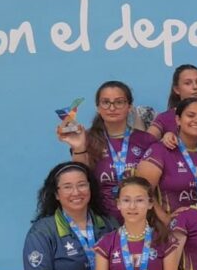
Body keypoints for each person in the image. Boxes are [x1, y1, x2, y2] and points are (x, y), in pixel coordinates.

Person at [57, 81, 157, 224]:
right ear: (98, 107)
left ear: (129, 107)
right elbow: (80, 178)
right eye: (105, 102)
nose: (112, 108)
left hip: (140, 221)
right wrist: (79, 147)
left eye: (119, 102)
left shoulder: (147, 141)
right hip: (101, 222)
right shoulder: (86, 139)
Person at [136, 97, 197, 224]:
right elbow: (140, 190)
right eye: (190, 115)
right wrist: (164, 218)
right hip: (171, 230)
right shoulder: (160, 150)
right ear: (178, 120)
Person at [146, 64, 197, 141]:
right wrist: (164, 140)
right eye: (188, 83)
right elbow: (145, 142)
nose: (195, 87)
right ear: (177, 89)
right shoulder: (165, 118)